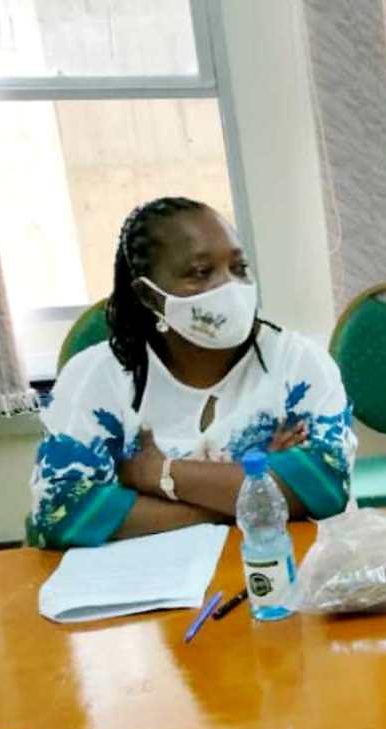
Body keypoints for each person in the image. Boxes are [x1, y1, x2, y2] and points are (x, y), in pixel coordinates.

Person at [29, 197, 357, 548]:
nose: (229, 286)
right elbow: (62, 512)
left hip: (279, 569)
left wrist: (154, 475)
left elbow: (325, 488)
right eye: (201, 273)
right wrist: (256, 496)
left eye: (239, 268)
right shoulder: (96, 378)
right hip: (142, 583)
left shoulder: (297, 364)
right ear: (150, 296)